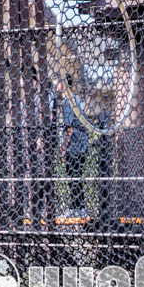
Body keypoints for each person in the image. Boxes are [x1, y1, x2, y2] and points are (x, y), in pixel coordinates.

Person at [55, 77, 90, 216]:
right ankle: (78, 208)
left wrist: (62, 149)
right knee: (75, 175)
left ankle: (76, 208)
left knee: (73, 175)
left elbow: (69, 128)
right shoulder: (75, 99)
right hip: (80, 144)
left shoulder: (68, 102)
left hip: (75, 145)